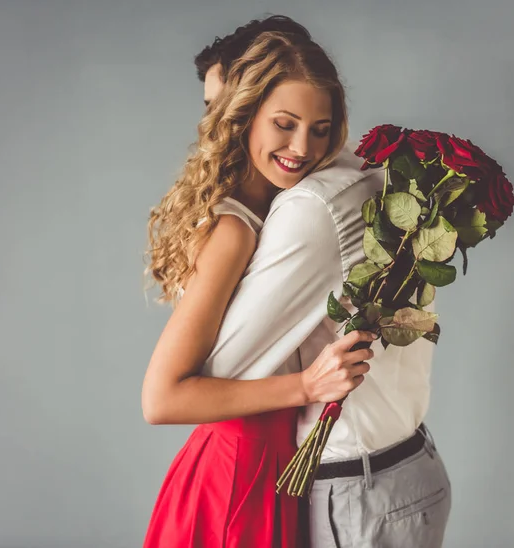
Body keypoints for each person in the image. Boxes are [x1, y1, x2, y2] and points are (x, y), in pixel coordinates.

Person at [193, 16, 452, 548]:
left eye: (315, 126)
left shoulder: (304, 209)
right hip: (401, 468)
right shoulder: (365, 175)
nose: (216, 126)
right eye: (211, 109)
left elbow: (209, 377)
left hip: (358, 492)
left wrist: (306, 385)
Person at [141, 31, 374, 548]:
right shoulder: (235, 229)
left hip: (265, 463)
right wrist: (307, 387)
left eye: (320, 130)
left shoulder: (275, 206)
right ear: (245, 117)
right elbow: (161, 399)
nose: (302, 149)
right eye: (284, 126)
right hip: (238, 477)